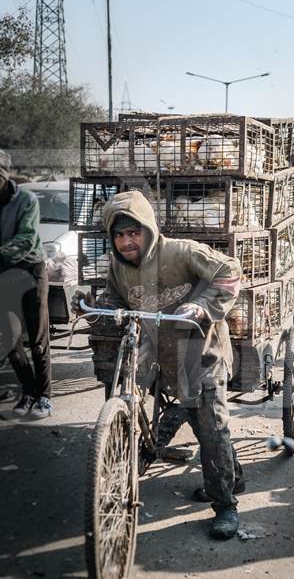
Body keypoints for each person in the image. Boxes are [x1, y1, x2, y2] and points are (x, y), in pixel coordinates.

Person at [72, 190, 243, 540]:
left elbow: (230, 271)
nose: (126, 241)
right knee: (199, 421)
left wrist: (202, 308)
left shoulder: (180, 251)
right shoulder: (119, 268)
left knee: (210, 425)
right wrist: (90, 304)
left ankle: (225, 504)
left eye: (133, 231)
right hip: (164, 357)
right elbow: (116, 300)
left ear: (148, 228)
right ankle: (231, 475)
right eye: (119, 235)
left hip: (202, 353)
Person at [0, 150, 52, 418]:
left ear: (6, 172)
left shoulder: (26, 200)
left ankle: (44, 396)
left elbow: (27, 239)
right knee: (9, 339)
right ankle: (28, 390)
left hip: (31, 271)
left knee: (38, 338)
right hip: (4, 274)